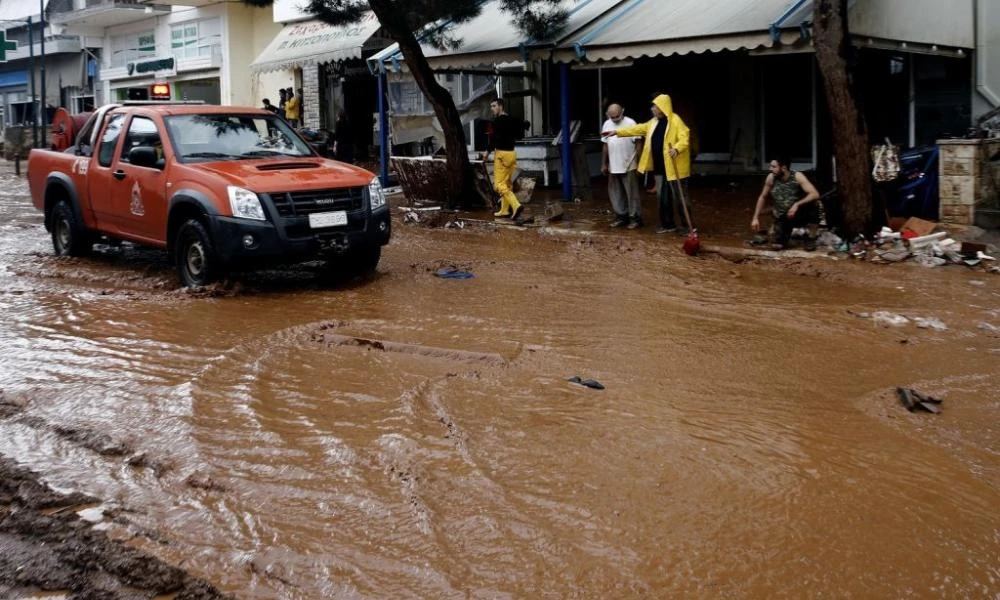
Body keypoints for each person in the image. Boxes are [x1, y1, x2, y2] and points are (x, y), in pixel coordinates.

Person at [604, 94, 692, 235]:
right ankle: (668, 224)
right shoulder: (653, 122)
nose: (652, 109)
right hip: (659, 168)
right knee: (663, 198)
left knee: (680, 198)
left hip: (675, 169)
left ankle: (689, 226)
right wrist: (617, 132)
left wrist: (677, 148)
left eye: (655, 106)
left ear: (662, 108)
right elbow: (637, 129)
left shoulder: (675, 121)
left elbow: (685, 137)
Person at [751, 155, 821, 251]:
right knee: (777, 245)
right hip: (783, 216)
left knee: (815, 203)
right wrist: (755, 217)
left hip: (798, 212)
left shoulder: (797, 176)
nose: (770, 169)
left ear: (783, 168)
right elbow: (762, 197)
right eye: (771, 166)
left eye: (774, 167)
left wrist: (797, 204)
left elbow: (815, 194)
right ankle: (780, 234)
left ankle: (811, 237)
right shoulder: (771, 178)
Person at [601, 103, 642, 229]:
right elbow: (605, 145)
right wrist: (604, 163)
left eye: (617, 116)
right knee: (615, 193)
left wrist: (638, 162)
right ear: (608, 115)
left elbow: (639, 142)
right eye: (612, 117)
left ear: (623, 111)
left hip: (629, 163)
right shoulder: (607, 124)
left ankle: (635, 218)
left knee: (632, 193)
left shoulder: (631, 123)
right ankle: (621, 216)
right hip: (614, 164)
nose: (615, 119)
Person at [480, 97, 523, 220]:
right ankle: (504, 210)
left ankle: (516, 205)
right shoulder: (512, 120)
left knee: (498, 185)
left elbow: (493, 139)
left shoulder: (496, 122)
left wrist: (487, 152)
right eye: (491, 106)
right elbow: (520, 133)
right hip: (512, 154)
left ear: (501, 106)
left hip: (501, 155)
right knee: (507, 184)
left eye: (494, 106)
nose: (492, 109)